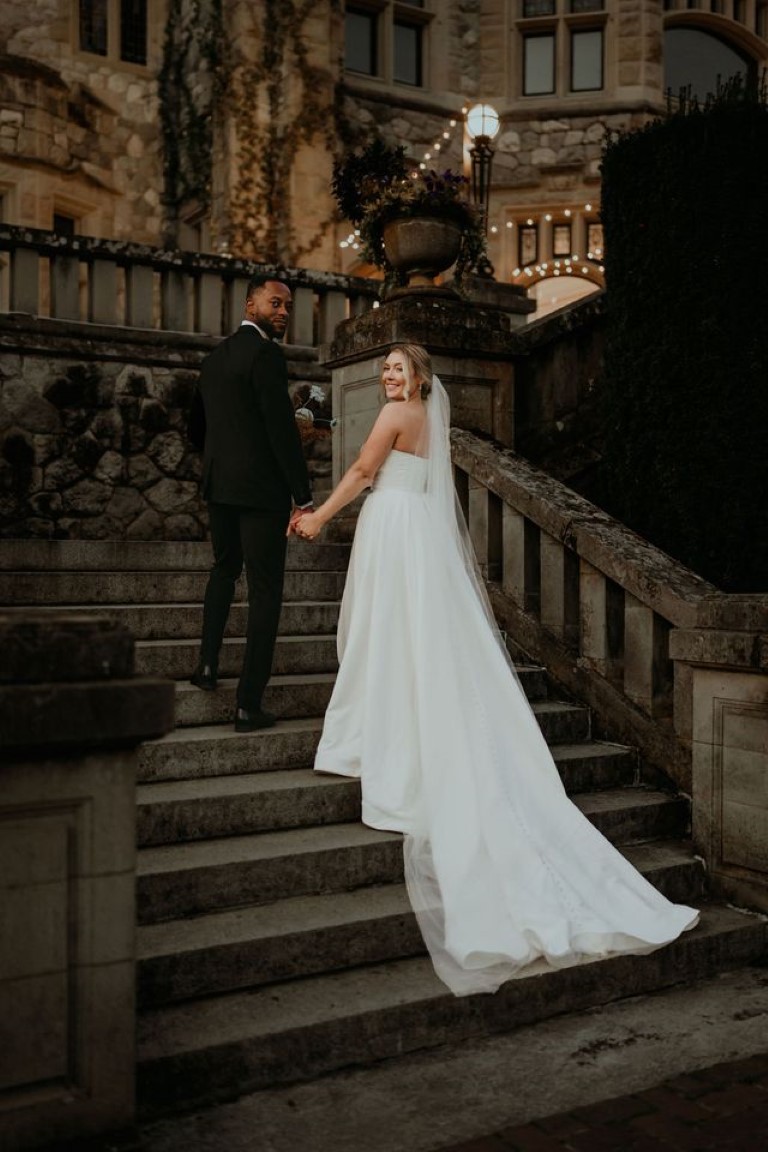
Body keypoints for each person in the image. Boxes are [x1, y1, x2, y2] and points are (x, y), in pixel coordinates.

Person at [292, 343, 698, 997]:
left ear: (420, 377)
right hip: (414, 531)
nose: (389, 376)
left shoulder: (396, 417)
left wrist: (317, 516)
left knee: (384, 634)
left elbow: (365, 471)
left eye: (398, 368)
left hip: (394, 528)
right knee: (402, 638)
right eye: (385, 369)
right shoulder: (431, 420)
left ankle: (383, 743)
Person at [189, 275, 313, 732]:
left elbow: (195, 430)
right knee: (265, 592)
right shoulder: (266, 355)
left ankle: (206, 665)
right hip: (261, 493)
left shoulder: (213, 358)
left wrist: (224, 453)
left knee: (223, 570)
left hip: (219, 485)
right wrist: (304, 496)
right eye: (275, 302)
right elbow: (280, 432)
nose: (283, 311)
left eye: (288, 306)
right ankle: (247, 703)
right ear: (251, 303)